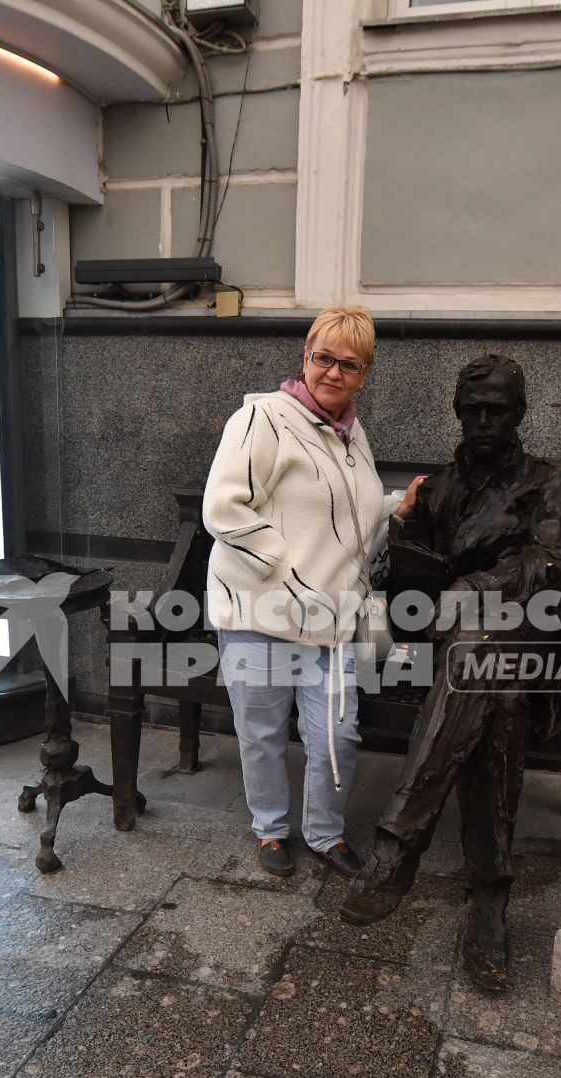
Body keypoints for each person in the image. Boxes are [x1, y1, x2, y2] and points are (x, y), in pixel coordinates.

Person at [338, 353, 561, 991]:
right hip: (456, 650)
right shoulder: (440, 487)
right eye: (472, 409)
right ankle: (489, 897)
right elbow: (406, 575)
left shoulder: (553, 480)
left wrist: (476, 584)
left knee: (483, 653)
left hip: (531, 639)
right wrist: (405, 533)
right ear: (456, 411)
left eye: (496, 410)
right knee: (486, 683)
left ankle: (397, 846)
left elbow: (551, 563)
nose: (482, 421)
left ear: (519, 413)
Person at [202, 306, 419, 878]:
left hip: (332, 622)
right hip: (259, 612)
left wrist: (396, 509)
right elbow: (225, 508)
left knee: (336, 736)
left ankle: (324, 833)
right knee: (263, 731)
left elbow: (352, 526)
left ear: (364, 374)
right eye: (324, 358)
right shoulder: (264, 419)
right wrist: (287, 575)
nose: (333, 372)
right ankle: (271, 829)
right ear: (306, 356)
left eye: (349, 364)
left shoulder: (351, 433)